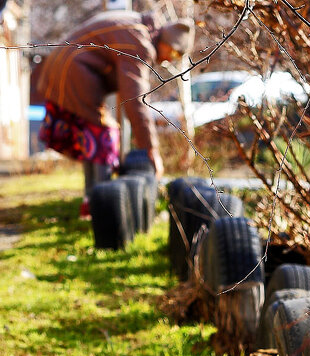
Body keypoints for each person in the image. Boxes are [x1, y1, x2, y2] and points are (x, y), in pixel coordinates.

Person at [35, 10, 192, 211]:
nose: (169, 60)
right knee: (104, 136)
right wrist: (151, 149)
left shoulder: (136, 27)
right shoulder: (138, 42)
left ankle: (90, 200)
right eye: (172, 53)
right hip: (73, 70)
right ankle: (102, 207)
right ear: (165, 41)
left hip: (62, 65)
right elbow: (136, 99)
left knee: (93, 134)